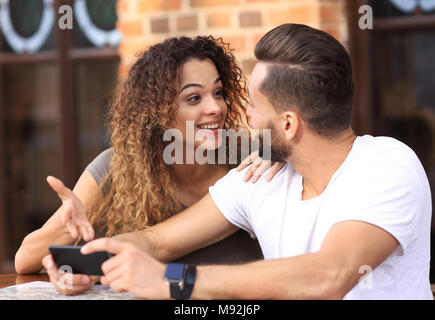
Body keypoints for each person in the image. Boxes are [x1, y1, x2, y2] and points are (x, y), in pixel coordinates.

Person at [49, 24, 432, 299]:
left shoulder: (386, 164)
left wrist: (174, 281)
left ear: (288, 124)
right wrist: (83, 263)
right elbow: (157, 242)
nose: (241, 114)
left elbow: (329, 277)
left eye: (253, 105)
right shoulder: (259, 176)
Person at [16, 35, 285, 295]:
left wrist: (279, 151)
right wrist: (72, 246)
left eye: (218, 92)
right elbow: (25, 259)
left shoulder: (252, 160)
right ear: (157, 112)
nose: (215, 107)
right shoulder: (118, 168)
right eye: (194, 98)